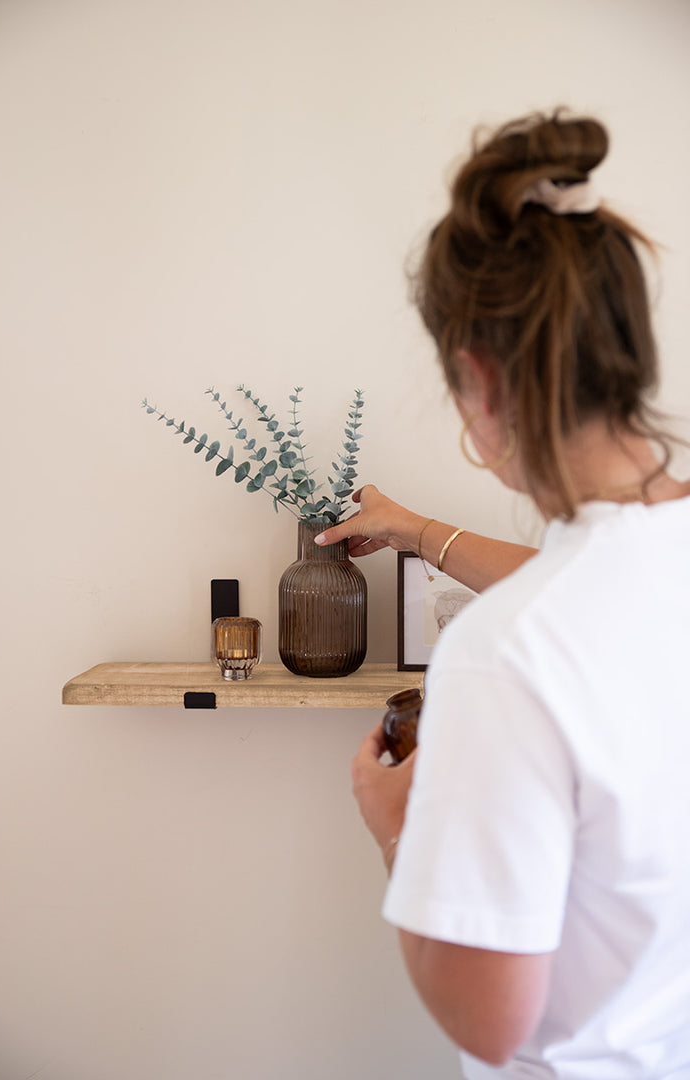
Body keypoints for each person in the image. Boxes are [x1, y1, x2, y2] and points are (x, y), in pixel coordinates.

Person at [314, 110, 690, 1078]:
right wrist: (416, 531)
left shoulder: (504, 657)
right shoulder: (625, 585)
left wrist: (398, 828)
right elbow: (606, 608)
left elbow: (493, 1023)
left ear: (477, 379)